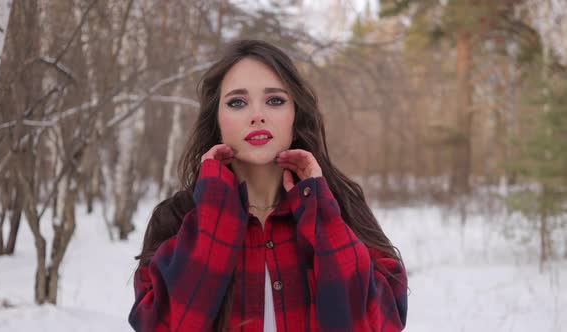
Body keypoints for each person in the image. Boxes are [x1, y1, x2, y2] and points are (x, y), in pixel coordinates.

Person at [128, 39, 407, 332]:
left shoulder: (340, 210)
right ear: (217, 121)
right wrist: (215, 216)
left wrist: (321, 214)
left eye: (275, 100)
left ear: (295, 115)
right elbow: (164, 324)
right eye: (237, 102)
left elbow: (377, 323)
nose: (257, 115)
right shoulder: (175, 219)